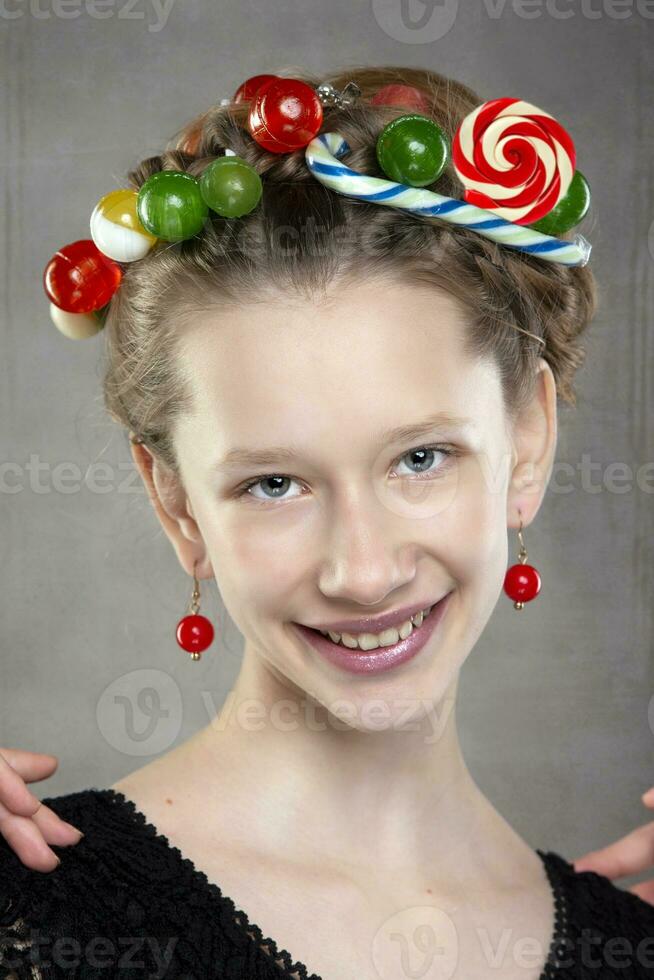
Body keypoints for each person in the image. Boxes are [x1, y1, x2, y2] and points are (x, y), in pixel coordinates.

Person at [1, 64, 653, 979]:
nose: (363, 571)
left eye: (419, 459)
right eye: (274, 483)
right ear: (175, 501)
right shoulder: (26, 913)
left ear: (529, 439)